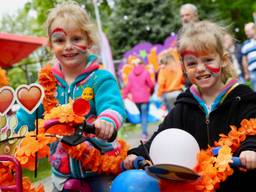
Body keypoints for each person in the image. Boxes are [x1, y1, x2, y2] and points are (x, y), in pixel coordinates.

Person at [123, 21, 256, 191]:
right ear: (184, 67)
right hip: (197, 186)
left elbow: (253, 128)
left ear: (223, 60)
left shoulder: (242, 97)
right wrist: (138, 153)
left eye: (208, 60)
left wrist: (250, 149)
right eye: (192, 63)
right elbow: (162, 135)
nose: (200, 68)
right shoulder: (185, 103)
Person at [15, 2, 126, 192]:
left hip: (100, 170)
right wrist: (11, 136)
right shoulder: (45, 85)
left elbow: (113, 105)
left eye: (76, 38)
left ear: (89, 41)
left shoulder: (100, 78)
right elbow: (26, 120)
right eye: (59, 40)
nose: (68, 46)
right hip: (62, 175)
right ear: (50, 44)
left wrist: (107, 120)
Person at [122, 56, 154, 143]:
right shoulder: (146, 73)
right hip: (145, 98)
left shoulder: (131, 75)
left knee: (141, 115)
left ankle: (143, 132)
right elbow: (151, 85)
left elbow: (128, 86)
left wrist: (123, 95)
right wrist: (151, 92)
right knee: (144, 116)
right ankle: (144, 133)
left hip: (136, 99)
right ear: (142, 65)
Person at [241, 22, 256, 91]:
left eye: (248, 31)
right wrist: (246, 73)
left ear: (254, 29)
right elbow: (244, 60)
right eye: (245, 32)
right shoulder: (245, 44)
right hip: (253, 72)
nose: (246, 33)